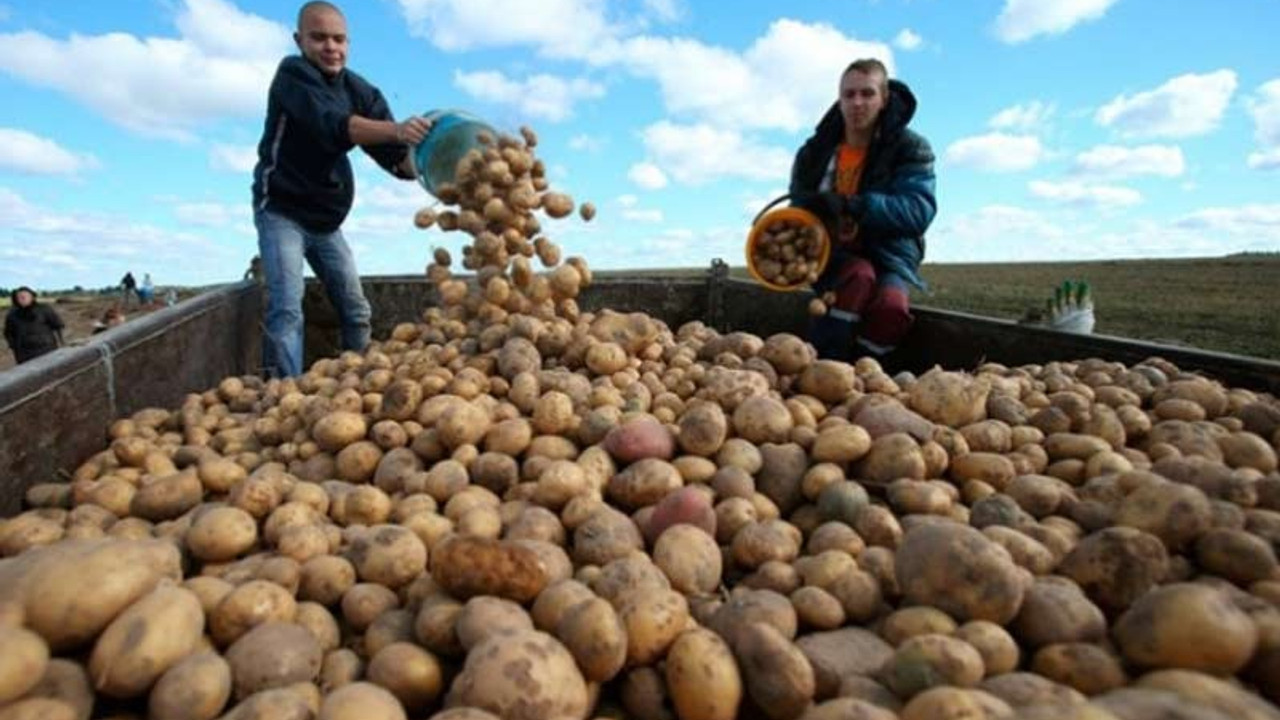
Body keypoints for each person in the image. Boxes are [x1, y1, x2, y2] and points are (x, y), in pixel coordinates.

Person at [251, 1, 432, 378]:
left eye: (338, 39)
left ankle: (361, 381)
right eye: (319, 38)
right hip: (282, 211)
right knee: (287, 308)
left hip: (326, 221)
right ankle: (279, 394)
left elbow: (395, 157)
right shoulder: (292, 75)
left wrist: (434, 168)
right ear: (299, 40)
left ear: (348, 43)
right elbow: (335, 125)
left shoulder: (359, 89)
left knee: (356, 309)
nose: (330, 47)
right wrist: (398, 130)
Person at [790, 58, 937, 362]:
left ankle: (866, 371)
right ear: (840, 100)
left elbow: (918, 210)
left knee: (891, 306)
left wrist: (854, 205)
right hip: (834, 253)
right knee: (858, 276)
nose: (857, 102)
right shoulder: (814, 153)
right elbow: (797, 211)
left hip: (889, 254)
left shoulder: (911, 147)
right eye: (849, 94)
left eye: (867, 93)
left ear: (884, 99)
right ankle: (826, 365)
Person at [4, 286, 65, 364]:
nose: (23, 299)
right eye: (20, 297)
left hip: (47, 350)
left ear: (32, 297)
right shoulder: (12, 315)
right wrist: (14, 346)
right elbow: (8, 333)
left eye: (25, 296)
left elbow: (58, 325)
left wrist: (62, 342)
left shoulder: (44, 309)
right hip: (24, 354)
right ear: (16, 299)